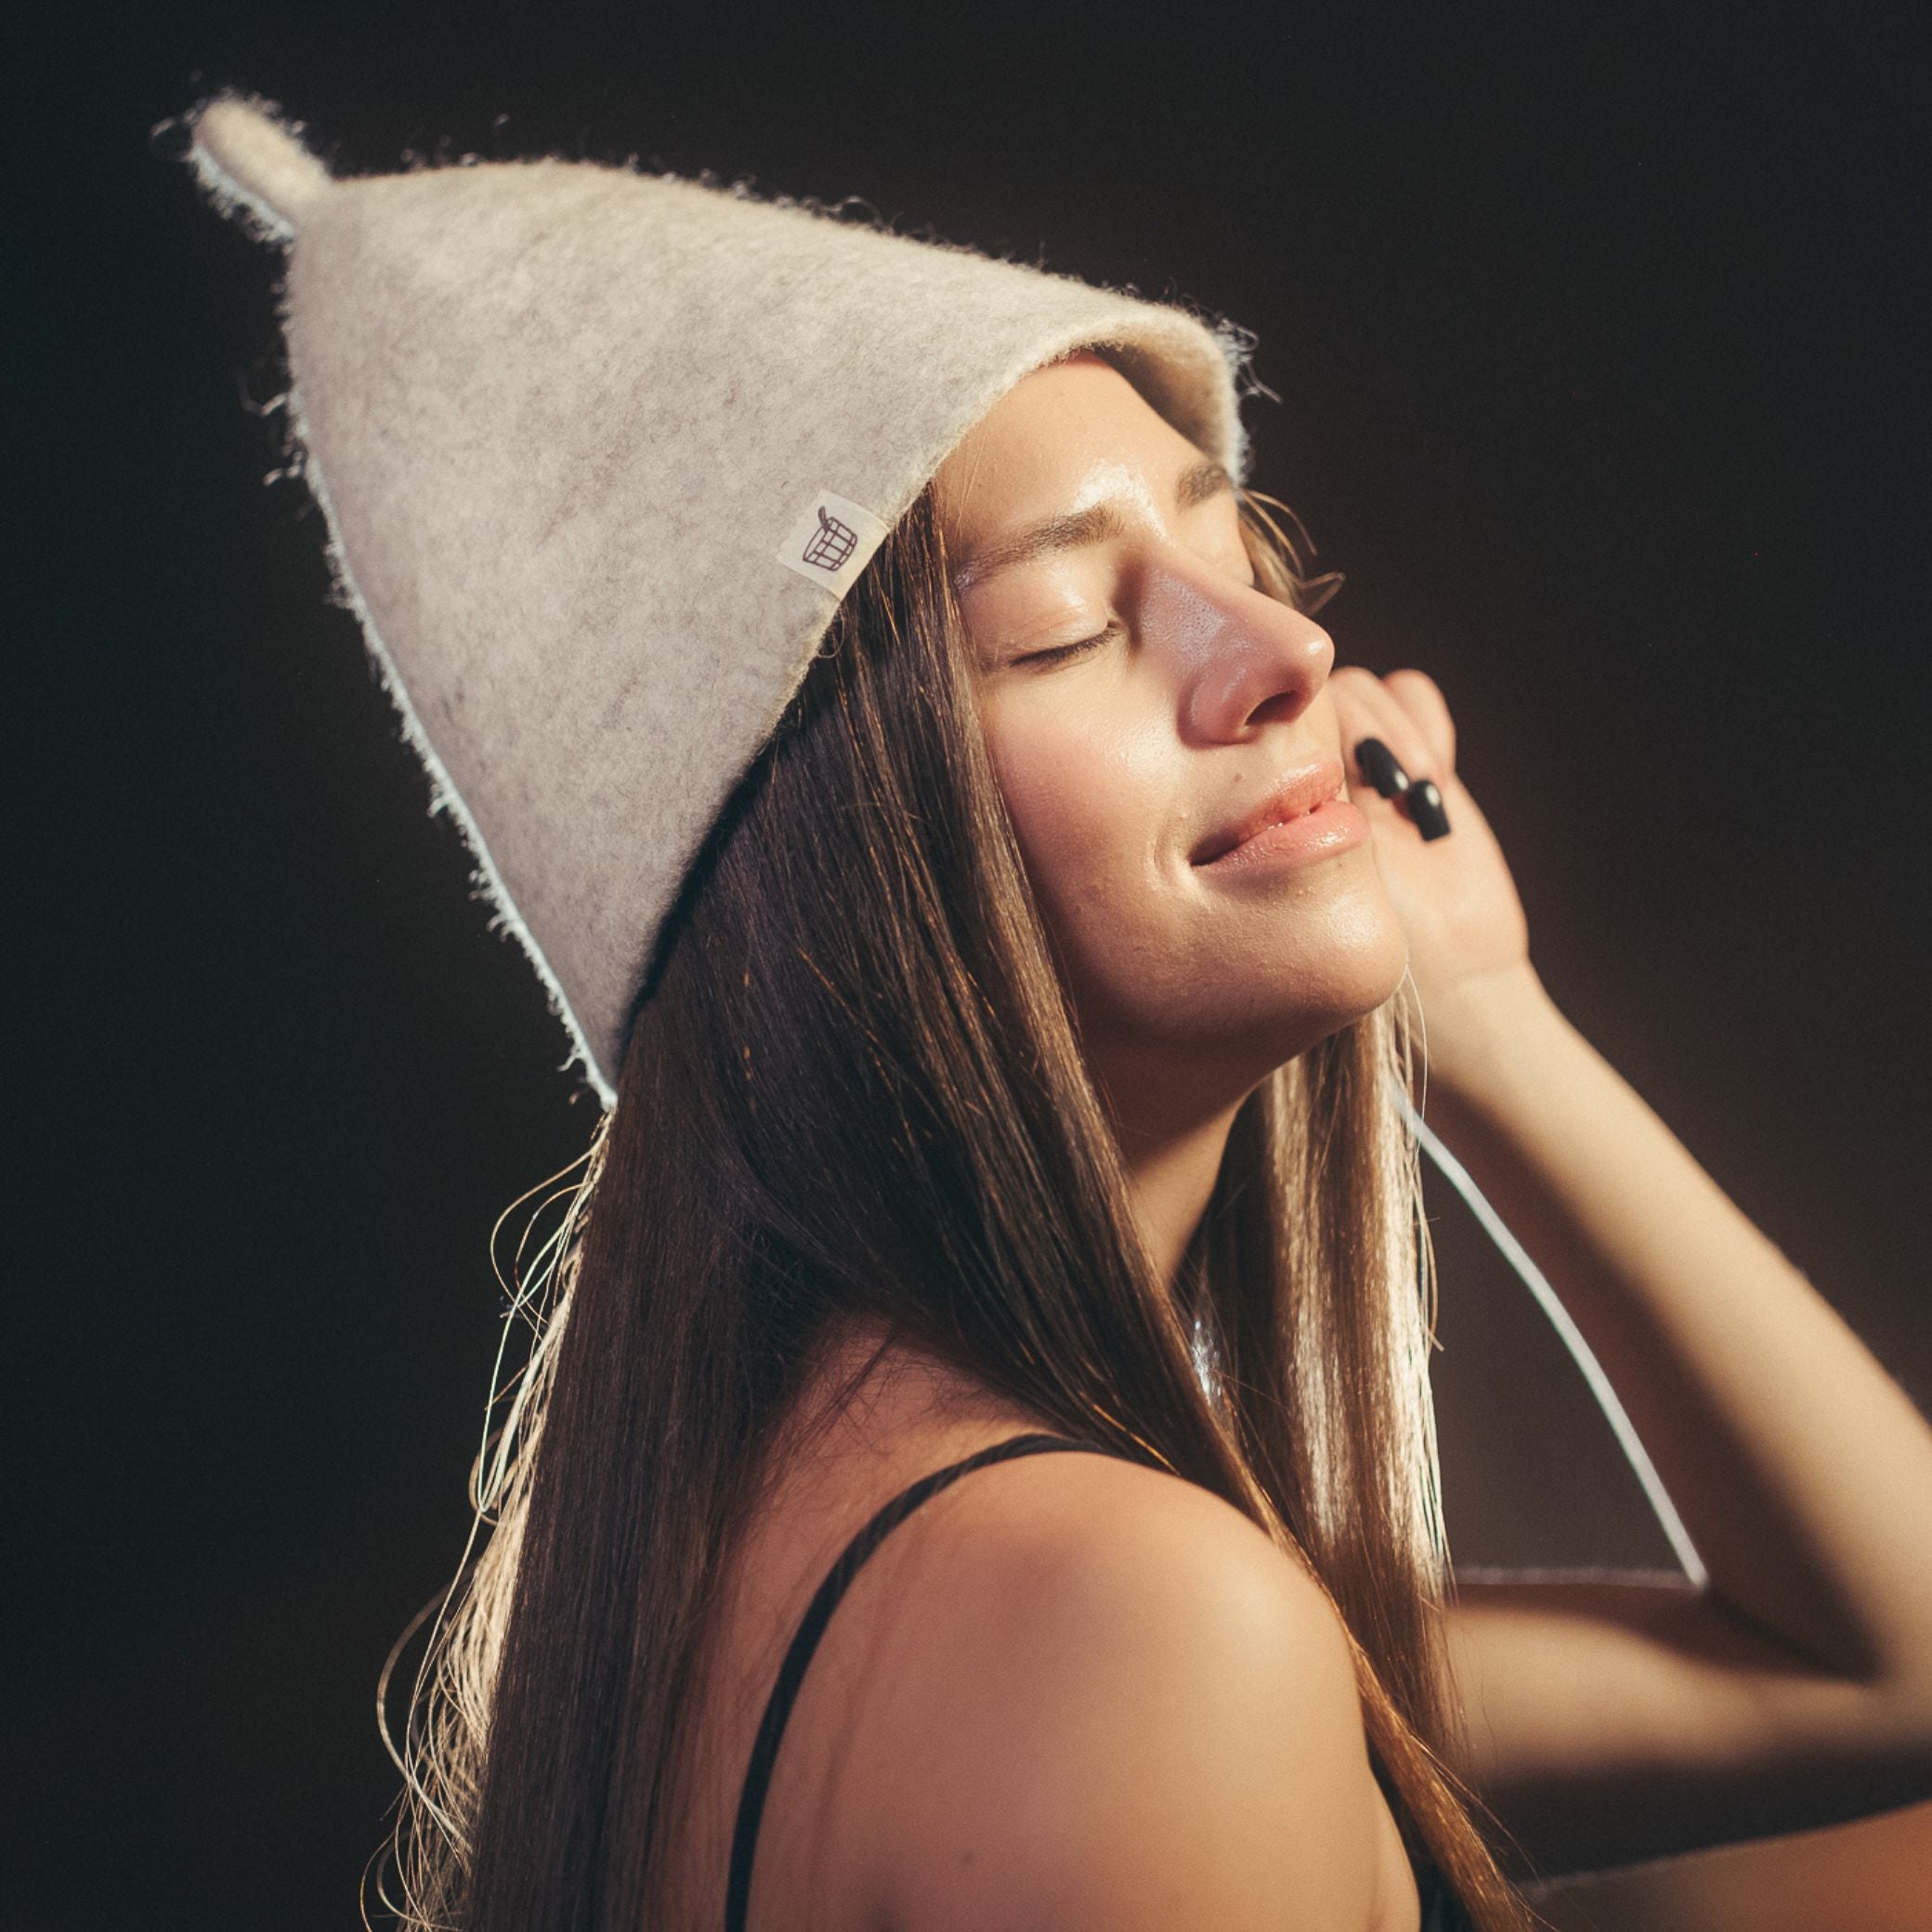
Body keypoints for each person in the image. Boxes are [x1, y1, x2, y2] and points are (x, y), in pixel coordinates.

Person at [173, 95, 1932, 1932]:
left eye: (1234, 551)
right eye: (1067, 625)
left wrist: (1480, 1013)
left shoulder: (807, 1598)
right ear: (830, 886)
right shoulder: (1130, 1628)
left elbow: (1881, 1672)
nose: (1288, 655)